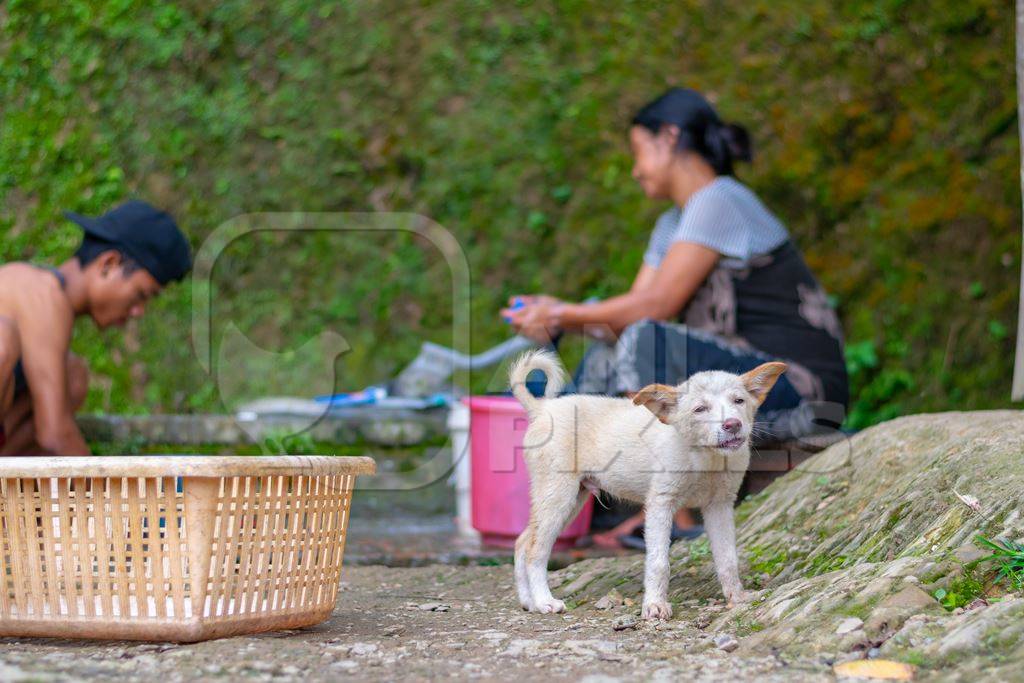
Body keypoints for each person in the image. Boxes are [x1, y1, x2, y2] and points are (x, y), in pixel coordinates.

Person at [501, 88, 848, 547]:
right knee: (612, 346)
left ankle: (677, 519)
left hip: (793, 384)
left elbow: (655, 308)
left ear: (669, 138)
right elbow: (625, 316)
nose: (635, 168)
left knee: (645, 337)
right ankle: (600, 503)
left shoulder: (721, 199)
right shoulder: (674, 222)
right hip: (720, 381)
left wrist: (562, 312)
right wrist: (558, 316)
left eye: (638, 151)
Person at [0, 201, 192, 456]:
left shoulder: (54, 314)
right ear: (109, 264)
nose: (139, 311)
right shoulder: (39, 291)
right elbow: (55, 433)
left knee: (73, 376)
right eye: (141, 295)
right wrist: (107, 493)